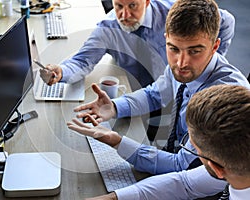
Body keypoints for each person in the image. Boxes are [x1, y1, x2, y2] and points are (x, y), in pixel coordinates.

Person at [66, 0, 250, 197]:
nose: (181, 62)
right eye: (173, 49)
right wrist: (114, 107)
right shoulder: (185, 68)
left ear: (215, 46)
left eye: (194, 51)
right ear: (166, 40)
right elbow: (155, 94)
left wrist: (117, 141)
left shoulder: (221, 99)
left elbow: (181, 167)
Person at [68, 84, 250, 199]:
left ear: (217, 170)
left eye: (194, 148)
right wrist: (113, 198)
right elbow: (184, 183)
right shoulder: (237, 165)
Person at [40, 0, 235, 90]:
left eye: (132, 5)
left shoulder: (173, 13)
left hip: (182, 89)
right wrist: (60, 72)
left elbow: (226, 20)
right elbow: (82, 62)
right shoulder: (108, 28)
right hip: (142, 94)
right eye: (119, 6)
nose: (124, 15)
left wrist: (210, 60)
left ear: (147, 2)